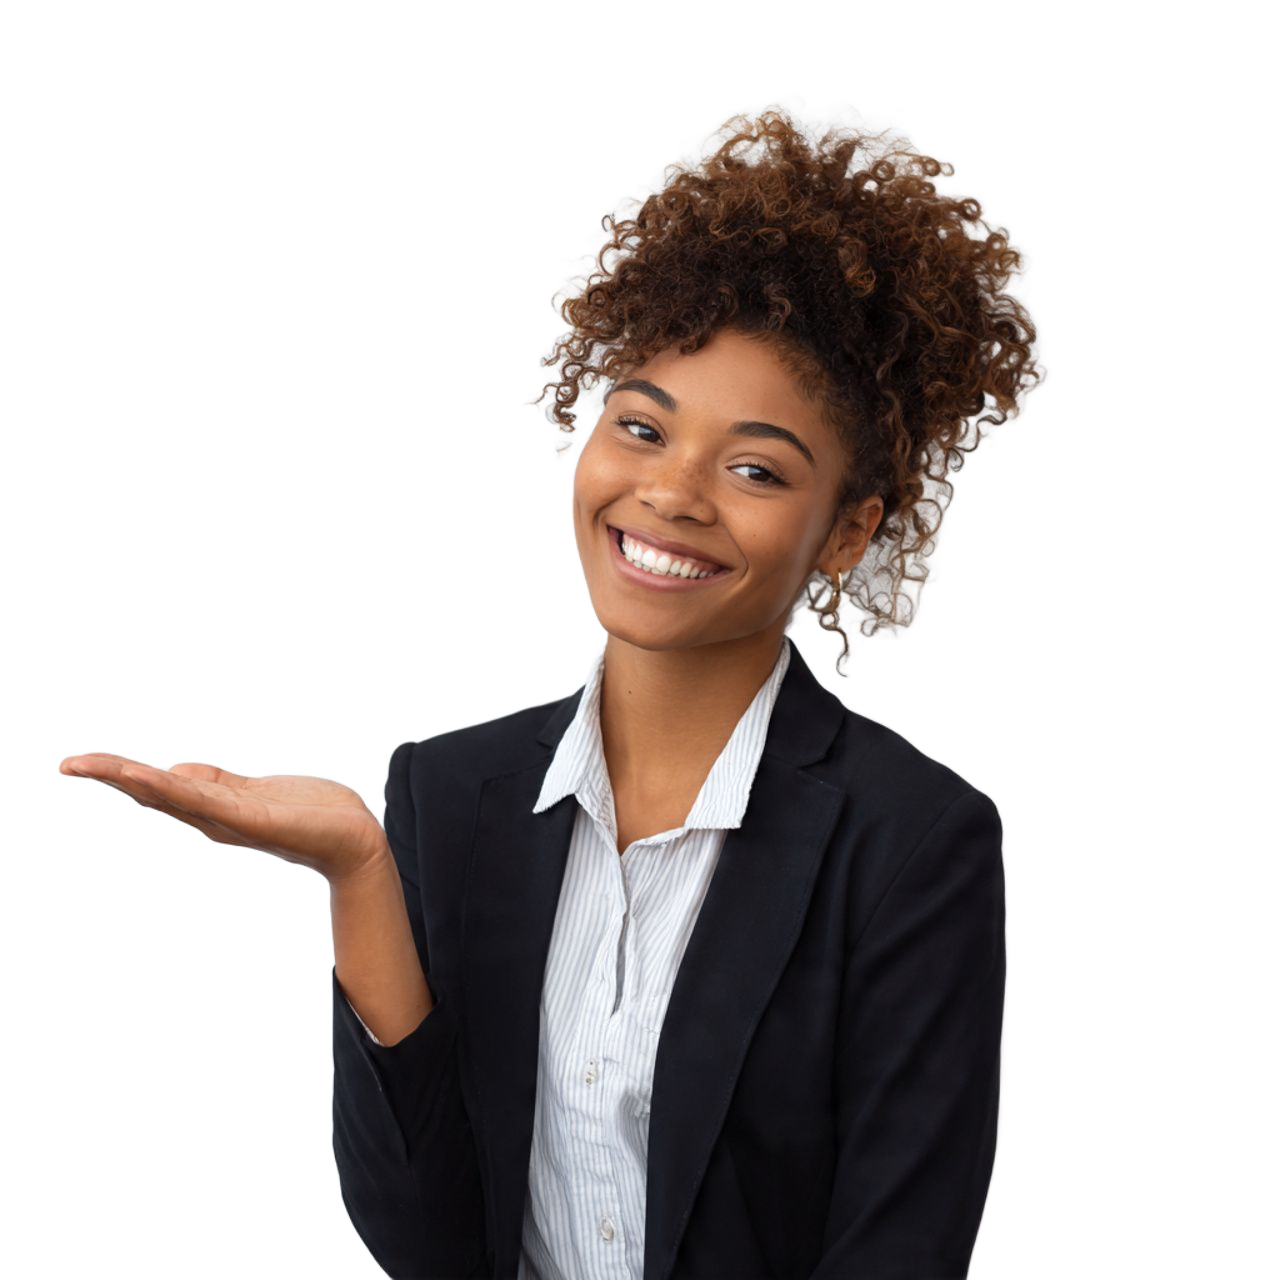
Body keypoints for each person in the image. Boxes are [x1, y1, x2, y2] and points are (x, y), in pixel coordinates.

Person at [56, 93, 1044, 1280]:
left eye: (752, 466)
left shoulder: (912, 837)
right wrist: (358, 871)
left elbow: (901, 1253)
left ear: (848, 531)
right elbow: (426, 1242)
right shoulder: (443, 790)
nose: (670, 493)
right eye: (639, 426)